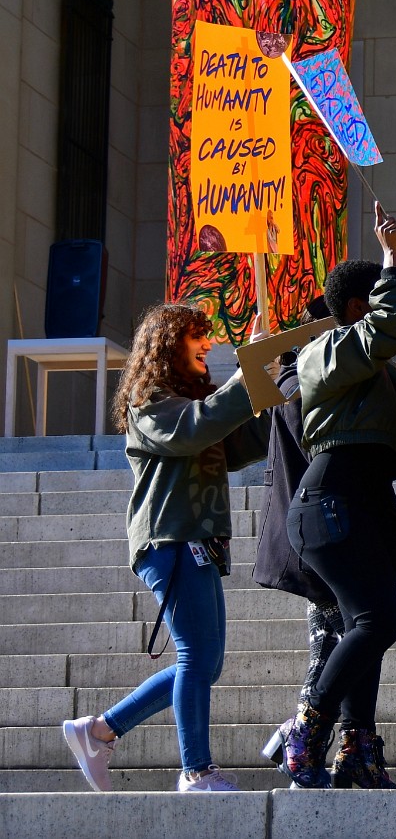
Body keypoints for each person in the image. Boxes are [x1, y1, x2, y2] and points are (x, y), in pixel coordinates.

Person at [62, 303, 269, 793]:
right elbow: (196, 426)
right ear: (167, 345)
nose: (209, 344)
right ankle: (196, 770)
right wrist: (246, 376)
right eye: (198, 336)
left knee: (203, 662)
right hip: (170, 539)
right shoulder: (148, 400)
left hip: (194, 540)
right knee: (197, 657)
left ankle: (98, 731)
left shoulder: (189, 402)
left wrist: (268, 381)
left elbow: (238, 444)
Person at [276, 202, 396, 790]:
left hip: (363, 508)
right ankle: (308, 732)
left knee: (371, 626)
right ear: (359, 308)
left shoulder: (381, 375)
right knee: (378, 620)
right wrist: (391, 257)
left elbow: (394, 457)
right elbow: (389, 327)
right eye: (377, 294)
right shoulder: (327, 353)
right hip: (329, 506)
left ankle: (357, 751)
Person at [252, 296, 350, 778]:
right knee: (330, 645)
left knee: (334, 643)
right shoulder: (301, 384)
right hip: (322, 532)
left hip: (323, 530)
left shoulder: (296, 379)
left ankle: (302, 735)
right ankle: (300, 739)